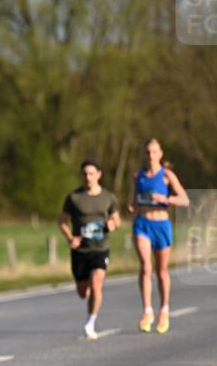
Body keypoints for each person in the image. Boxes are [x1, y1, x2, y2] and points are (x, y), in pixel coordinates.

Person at [127, 138, 189, 334]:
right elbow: (133, 201)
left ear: (160, 154)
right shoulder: (139, 177)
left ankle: (164, 309)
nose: (151, 156)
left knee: (162, 271)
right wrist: (132, 206)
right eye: (147, 152)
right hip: (142, 224)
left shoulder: (167, 175)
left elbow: (185, 199)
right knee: (146, 266)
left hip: (161, 225)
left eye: (154, 152)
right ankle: (147, 311)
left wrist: (166, 198)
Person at [59, 160, 121, 339]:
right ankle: (88, 298)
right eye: (85, 174)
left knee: (96, 284)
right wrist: (71, 238)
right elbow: (62, 221)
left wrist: (111, 225)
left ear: (99, 175)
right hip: (80, 251)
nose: (88, 177)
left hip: (100, 249)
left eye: (91, 173)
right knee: (82, 292)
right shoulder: (74, 198)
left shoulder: (108, 197)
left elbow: (117, 220)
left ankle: (90, 322)